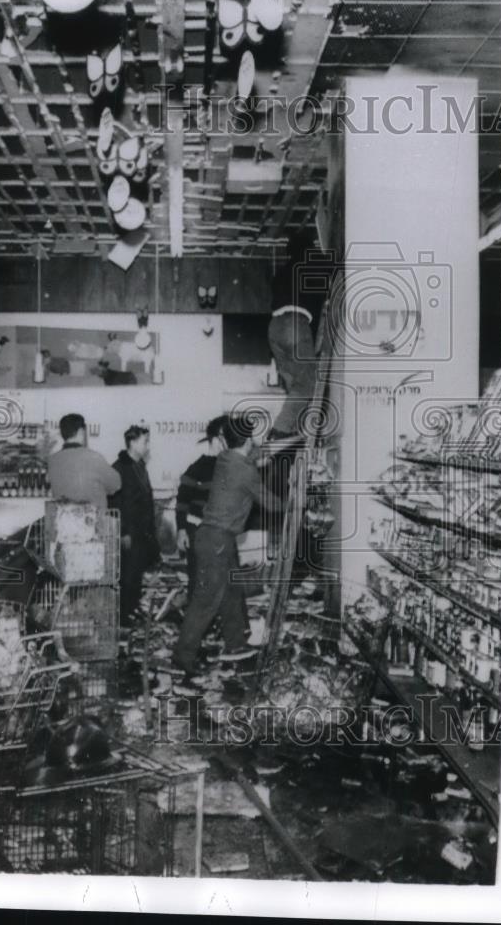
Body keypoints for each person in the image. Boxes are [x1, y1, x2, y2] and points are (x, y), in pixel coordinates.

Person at [173, 414, 284, 678]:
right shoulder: (243, 470)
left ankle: (235, 643)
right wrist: (301, 502)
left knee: (232, 591)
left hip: (215, 538)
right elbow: (271, 503)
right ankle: (182, 656)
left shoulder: (226, 458)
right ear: (247, 439)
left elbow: (255, 452)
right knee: (206, 601)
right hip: (216, 541)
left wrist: (290, 441)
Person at [267, 230, 328, 440]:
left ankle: (291, 426)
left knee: (294, 383)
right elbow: (338, 266)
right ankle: (282, 429)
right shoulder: (311, 263)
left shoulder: (283, 272)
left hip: (274, 328)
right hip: (294, 325)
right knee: (308, 381)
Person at [110, 425, 161, 625]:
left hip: (141, 533)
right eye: (144, 441)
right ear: (132, 442)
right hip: (128, 533)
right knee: (127, 576)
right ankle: (124, 618)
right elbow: (115, 503)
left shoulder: (140, 466)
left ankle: (132, 609)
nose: (148, 445)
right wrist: (123, 532)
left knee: (136, 574)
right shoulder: (119, 468)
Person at [175, 414, 229, 599]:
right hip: (198, 533)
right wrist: (181, 530)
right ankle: (196, 626)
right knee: (198, 581)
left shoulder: (229, 466)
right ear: (215, 440)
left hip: (220, 534)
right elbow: (182, 501)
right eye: (225, 437)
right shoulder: (197, 468)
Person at [47, 413, 121, 509]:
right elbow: (116, 484)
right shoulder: (94, 457)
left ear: (62, 434)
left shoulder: (53, 461)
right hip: (93, 521)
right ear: (81, 431)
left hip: (64, 521)